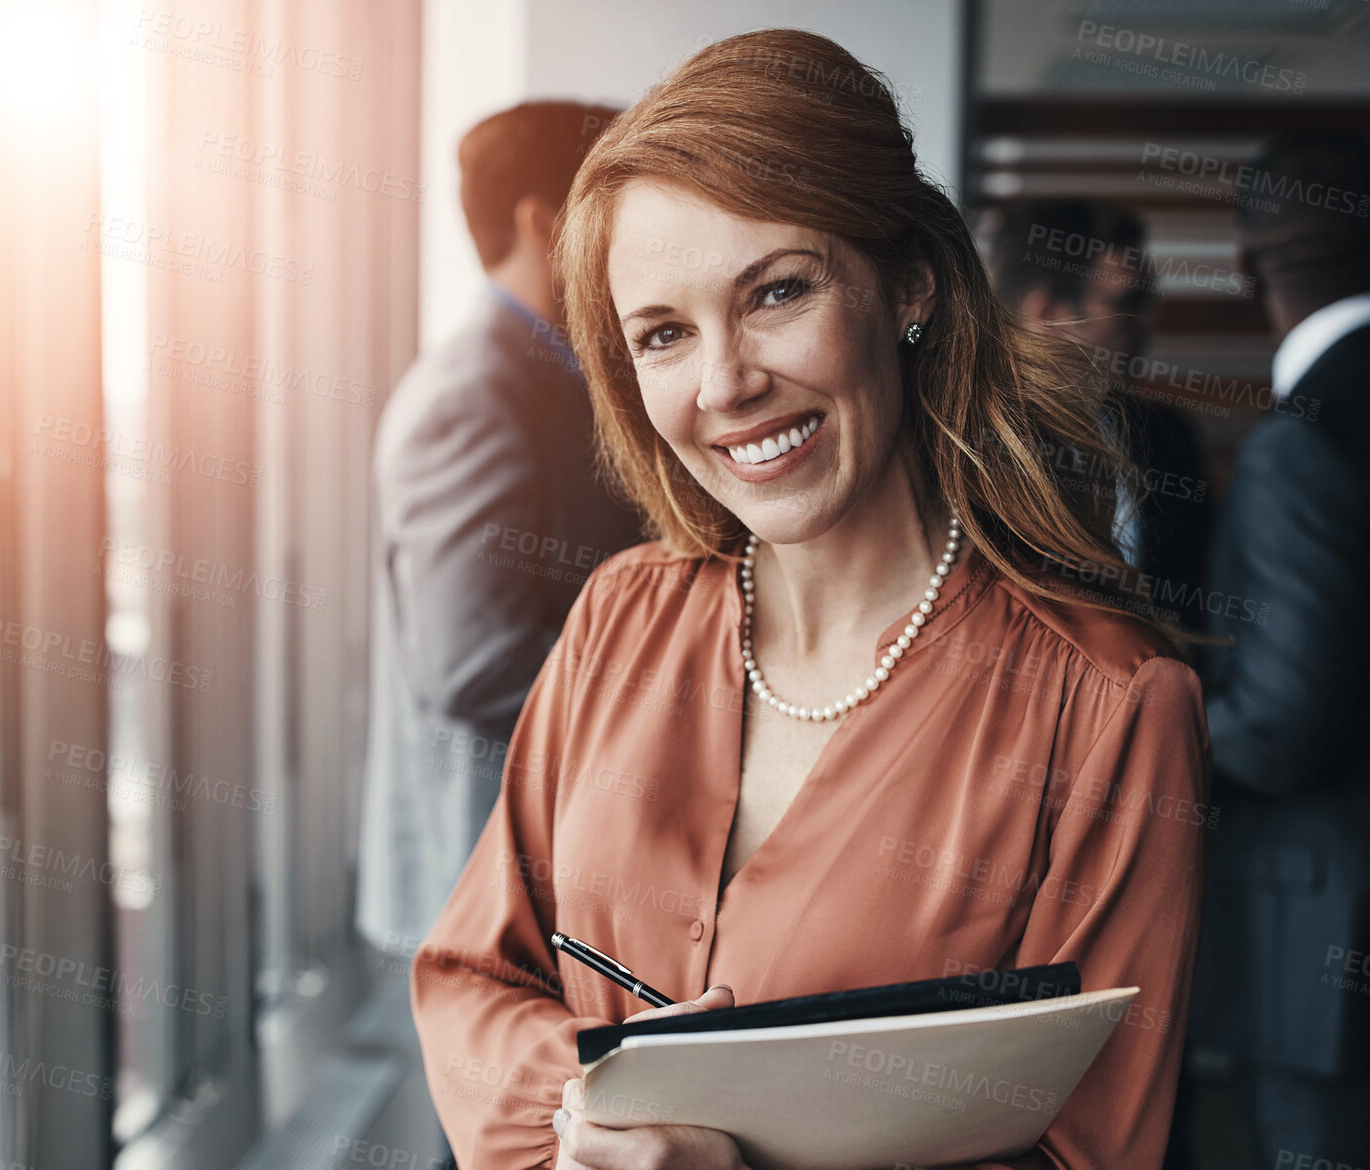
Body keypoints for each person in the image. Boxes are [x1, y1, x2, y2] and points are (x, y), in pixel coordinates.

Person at [410, 30, 1210, 1170]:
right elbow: (470, 979)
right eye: (664, 335)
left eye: (777, 291)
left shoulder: (1109, 705)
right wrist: (588, 1124)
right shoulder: (620, 618)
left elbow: (1090, 1154)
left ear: (911, 289)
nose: (725, 383)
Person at [1192, 129, 1370, 1167]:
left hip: (1334, 953)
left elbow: (1275, 735)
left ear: (1249, 264)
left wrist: (1142, 717)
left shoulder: (1299, 445)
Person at [357, 100, 644, 956]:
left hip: (544, 863)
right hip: (487, 878)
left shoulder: (553, 370)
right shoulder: (473, 396)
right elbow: (473, 666)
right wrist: (678, 705)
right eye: (613, 210)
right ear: (544, 220)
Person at [986, 201, 1211, 629]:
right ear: (1048, 314)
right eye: (1130, 299)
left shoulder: (1169, 437)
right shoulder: (966, 445)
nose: (1149, 320)